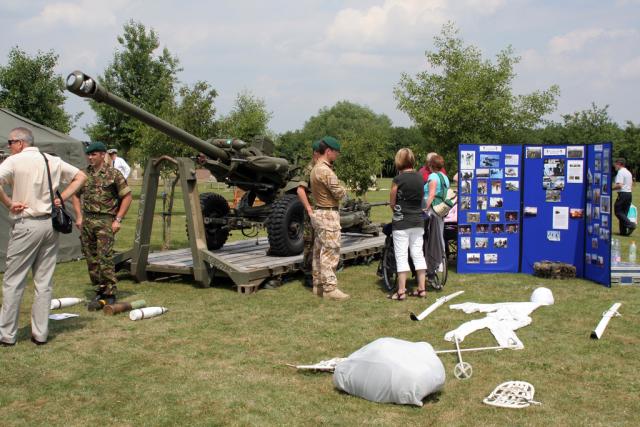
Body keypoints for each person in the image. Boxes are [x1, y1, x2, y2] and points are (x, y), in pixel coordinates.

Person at [0, 127, 86, 346]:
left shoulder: (14, 161)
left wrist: (9, 203)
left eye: (10, 142)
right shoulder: (51, 160)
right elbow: (80, 176)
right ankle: (40, 334)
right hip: (49, 226)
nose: (9, 146)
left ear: (20, 143)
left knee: (14, 281)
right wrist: (63, 197)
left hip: (27, 224)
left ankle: (7, 335)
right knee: (44, 283)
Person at [72, 142, 132, 310]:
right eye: (89, 155)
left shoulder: (113, 174)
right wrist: (78, 216)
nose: (90, 157)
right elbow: (75, 195)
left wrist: (118, 220)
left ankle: (110, 292)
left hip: (106, 221)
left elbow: (127, 197)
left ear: (102, 155)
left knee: (104, 256)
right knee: (91, 257)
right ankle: (100, 288)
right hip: (87, 221)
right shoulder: (83, 175)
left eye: (94, 154)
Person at [310, 136, 349, 301]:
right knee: (330, 251)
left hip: (320, 212)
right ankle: (330, 289)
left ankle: (318, 285)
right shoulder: (325, 170)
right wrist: (344, 190)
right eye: (336, 152)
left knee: (319, 250)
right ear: (328, 151)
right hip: (328, 214)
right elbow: (338, 193)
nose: (337, 155)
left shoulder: (315, 168)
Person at [388, 148, 427, 301]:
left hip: (402, 222)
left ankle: (401, 291)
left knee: (401, 255)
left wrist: (397, 208)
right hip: (418, 221)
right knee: (418, 254)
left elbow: (392, 202)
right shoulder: (420, 177)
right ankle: (422, 289)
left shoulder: (398, 179)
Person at [296, 140, 321, 292]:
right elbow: (300, 190)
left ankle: (317, 272)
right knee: (310, 243)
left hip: (321, 212)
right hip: (311, 214)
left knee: (319, 243)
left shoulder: (320, 168)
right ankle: (307, 274)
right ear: (316, 153)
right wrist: (309, 210)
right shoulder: (310, 169)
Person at [423, 154, 449, 289]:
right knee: (439, 236)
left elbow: (431, 194)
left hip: (432, 210)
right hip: (441, 210)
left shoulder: (432, 177)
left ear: (431, 165)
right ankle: (439, 263)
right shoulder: (445, 177)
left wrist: (424, 208)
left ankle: (433, 264)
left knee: (431, 239)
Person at [613, 158, 635, 236]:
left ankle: (631, 225)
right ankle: (623, 232)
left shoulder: (620, 172)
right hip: (629, 194)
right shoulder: (628, 172)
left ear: (619, 164)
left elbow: (619, 185)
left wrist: (610, 189)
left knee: (618, 211)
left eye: (615, 164)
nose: (614, 166)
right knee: (624, 213)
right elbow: (631, 184)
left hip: (623, 194)